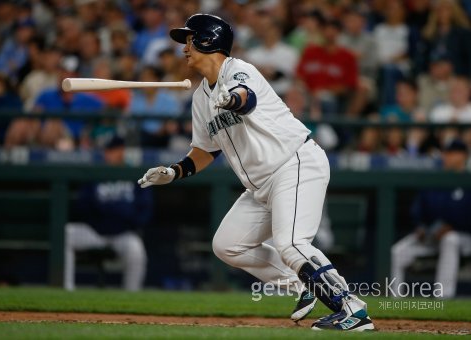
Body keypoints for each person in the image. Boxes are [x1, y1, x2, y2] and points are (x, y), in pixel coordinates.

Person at [137, 14, 374, 331]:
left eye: (191, 40)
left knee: (291, 243)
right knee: (228, 245)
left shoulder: (240, 70)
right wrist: (173, 171)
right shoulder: (199, 98)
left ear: (209, 40)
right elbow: (205, 150)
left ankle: (352, 310)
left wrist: (232, 98)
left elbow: (246, 100)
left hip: (294, 163)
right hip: (261, 185)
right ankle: (303, 284)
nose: (185, 49)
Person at [64, 136, 153, 291]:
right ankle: (66, 289)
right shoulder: (96, 173)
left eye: (112, 151)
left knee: (137, 252)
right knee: (66, 234)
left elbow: (145, 209)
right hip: (95, 232)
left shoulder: (135, 174)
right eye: (107, 151)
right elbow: (82, 205)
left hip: (123, 233)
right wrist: (111, 212)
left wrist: (126, 217)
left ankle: (131, 297)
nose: (108, 154)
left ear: (122, 151)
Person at [390, 139, 471, 298]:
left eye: (452, 153)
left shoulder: (468, 180)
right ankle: (394, 299)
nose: (447, 157)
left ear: (463, 156)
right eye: (446, 153)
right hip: (432, 236)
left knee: (450, 239)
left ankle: (443, 297)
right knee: (398, 251)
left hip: (464, 237)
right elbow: (418, 210)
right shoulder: (435, 179)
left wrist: (452, 226)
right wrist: (420, 226)